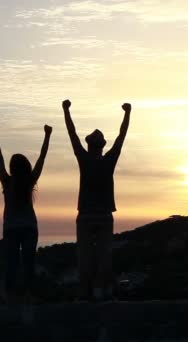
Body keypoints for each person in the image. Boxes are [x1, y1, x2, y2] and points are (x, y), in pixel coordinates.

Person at [62, 99, 131, 301]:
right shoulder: (109, 160)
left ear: (89, 145)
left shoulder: (84, 159)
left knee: (84, 257)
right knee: (103, 257)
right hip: (104, 216)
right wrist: (127, 114)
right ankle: (102, 293)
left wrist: (66, 110)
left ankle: (85, 293)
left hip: (85, 216)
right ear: (101, 146)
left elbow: (71, 134)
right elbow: (121, 136)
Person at [0, 122, 52, 302]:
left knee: (11, 264)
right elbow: (42, 157)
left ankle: (10, 295)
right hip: (29, 227)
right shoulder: (30, 181)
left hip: (11, 228)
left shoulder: (7, 182)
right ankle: (28, 294)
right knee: (28, 263)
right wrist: (47, 136)